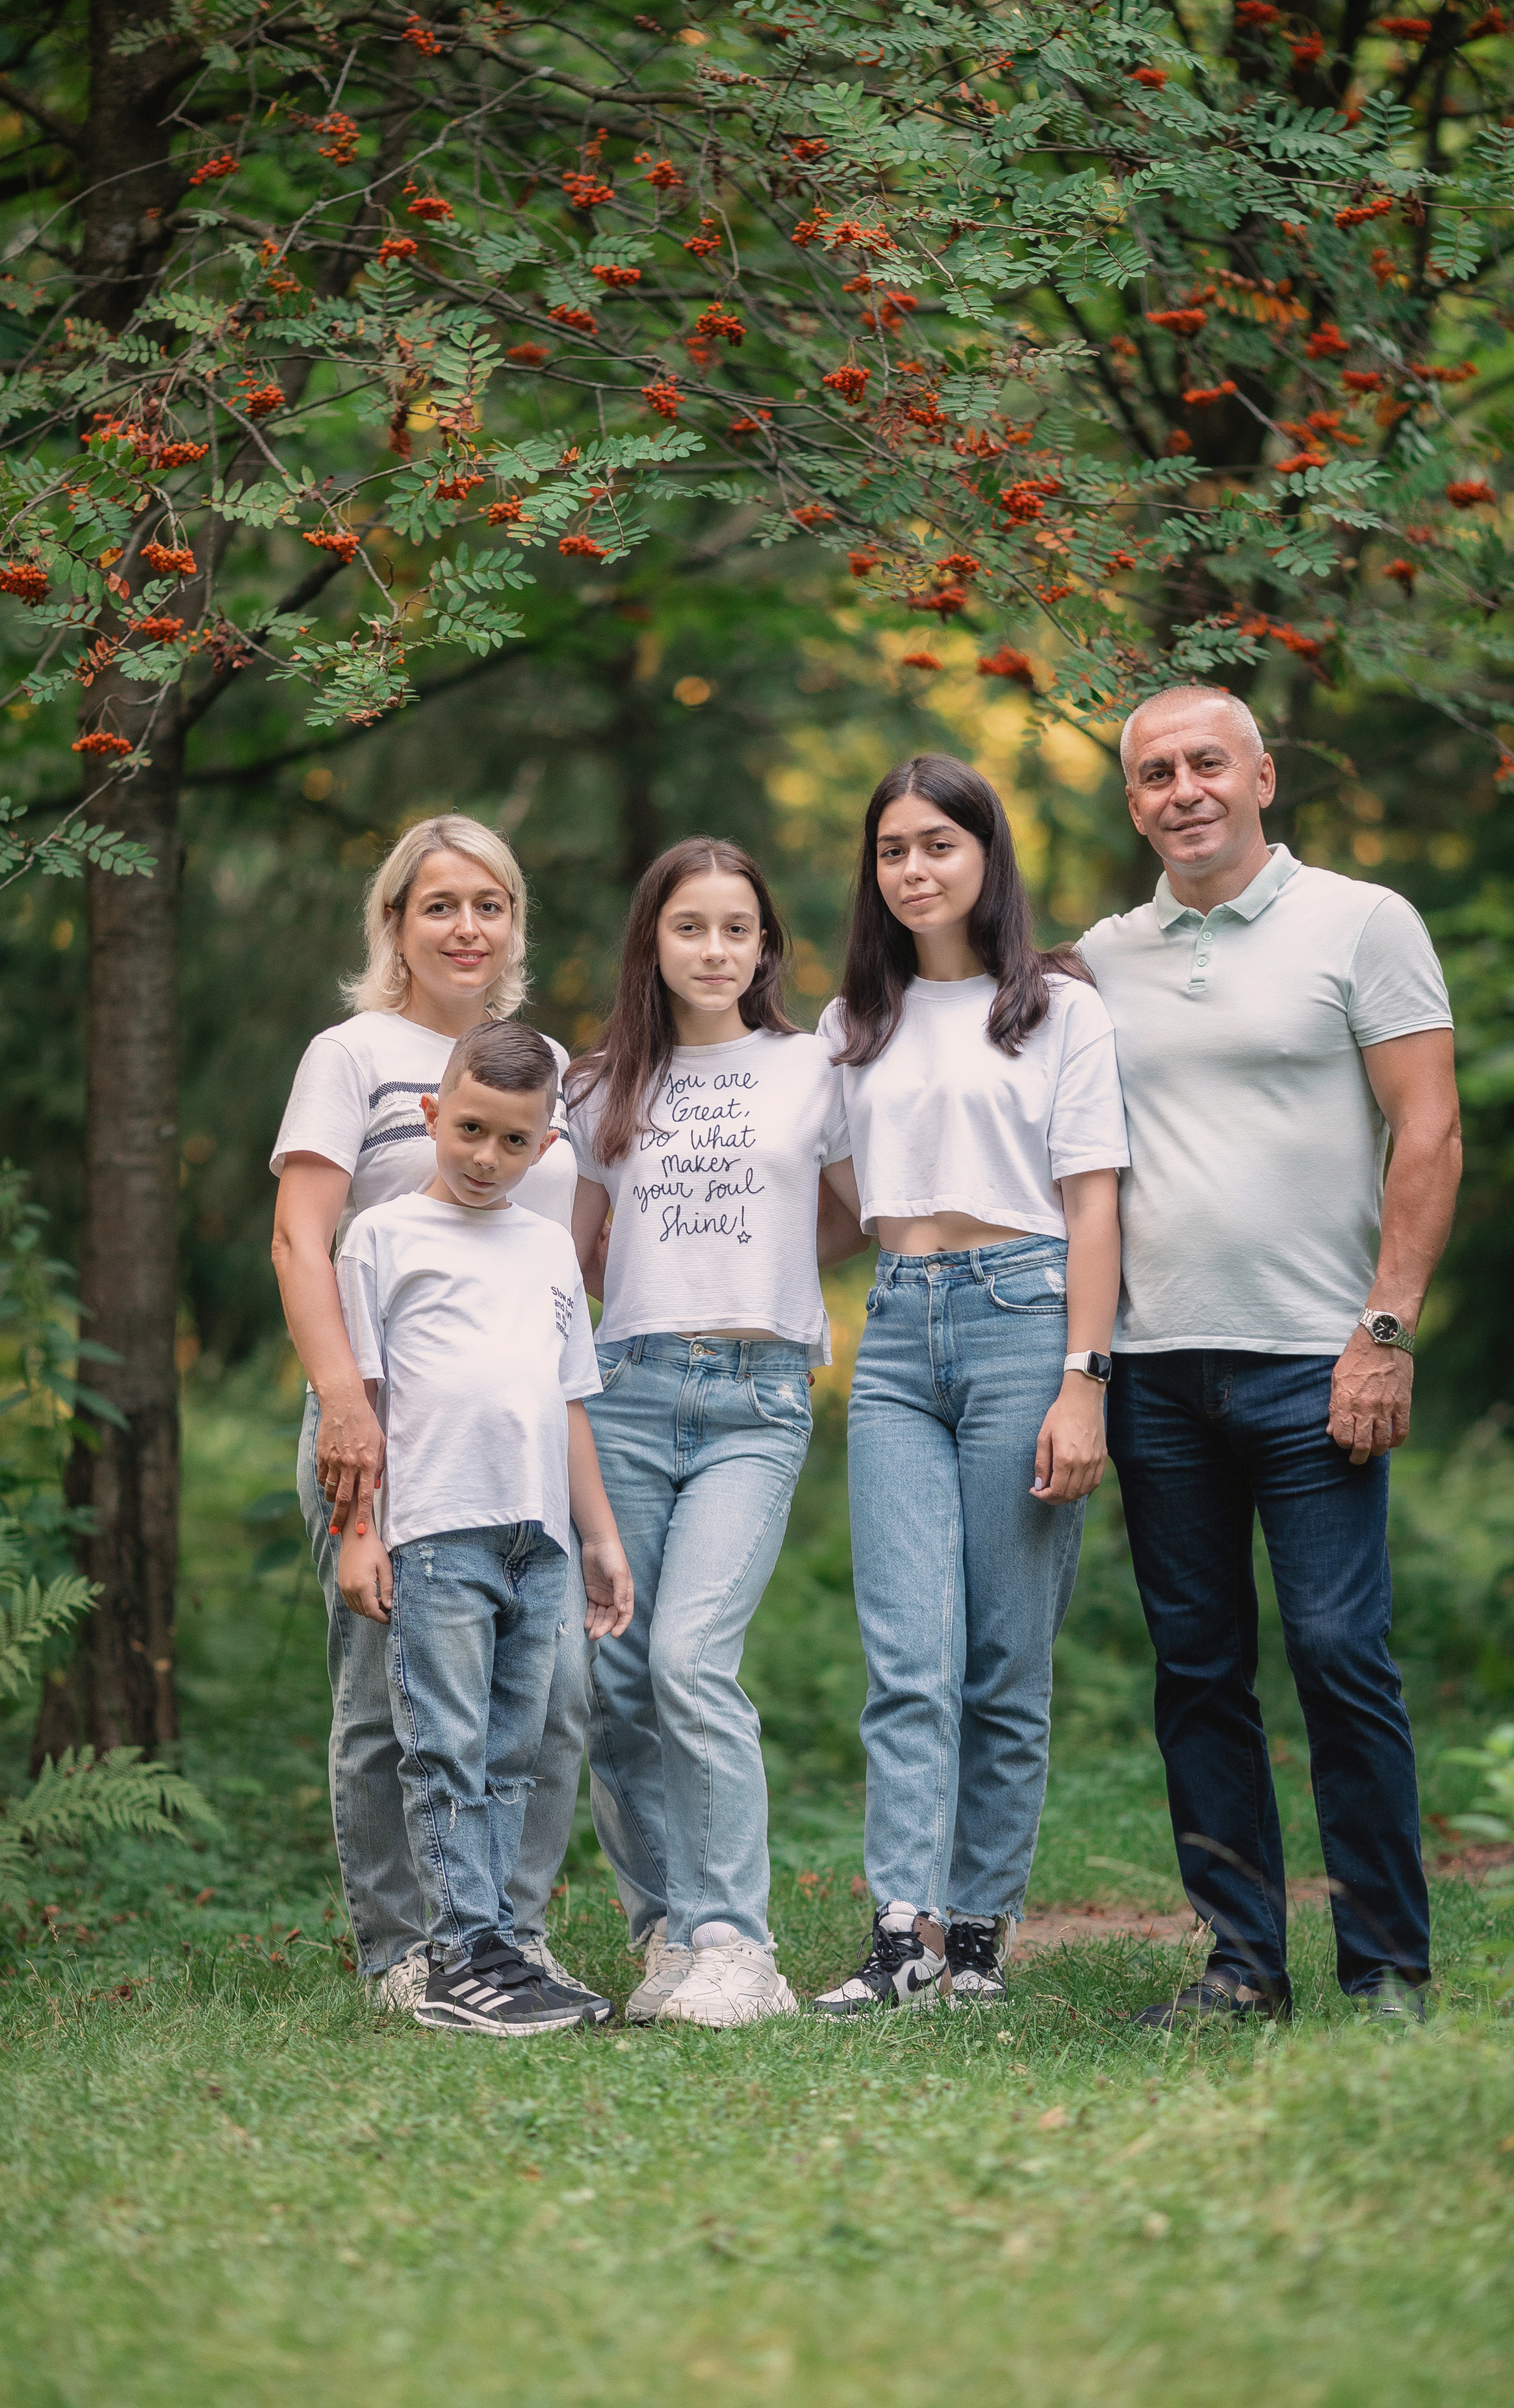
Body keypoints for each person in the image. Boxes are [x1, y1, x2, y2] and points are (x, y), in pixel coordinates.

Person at [1081, 685, 1461, 2025]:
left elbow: (1426, 1130)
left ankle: (1385, 1969)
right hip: (1154, 1370)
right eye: (1150, 774)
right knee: (1194, 1671)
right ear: (1129, 800)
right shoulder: (1099, 957)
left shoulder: (1360, 923)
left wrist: (1384, 1331)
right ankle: (1241, 1962)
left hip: (1315, 1359)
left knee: (1338, 1653)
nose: (1178, 791)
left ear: (1258, 778)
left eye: (1202, 765)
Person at [270, 814, 608, 2016]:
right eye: (440, 904)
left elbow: (556, 1265)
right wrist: (344, 1409)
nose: (468, 927)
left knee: (550, 1699)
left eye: (491, 904)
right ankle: (405, 1951)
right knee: (389, 1701)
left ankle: (504, 1934)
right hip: (384, 1429)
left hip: (517, 1447)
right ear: (395, 923)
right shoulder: (353, 1053)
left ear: (514, 923)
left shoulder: (542, 1059)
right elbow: (301, 1240)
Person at [812, 756, 1129, 2016]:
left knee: (1003, 1659)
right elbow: (834, 1201)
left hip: (1023, 1323)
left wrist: (1082, 1382)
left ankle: (979, 1938)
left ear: (985, 857)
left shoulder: (1057, 1008)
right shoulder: (852, 1024)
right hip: (895, 1334)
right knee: (905, 1654)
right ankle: (901, 1935)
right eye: (891, 848)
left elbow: (1093, 1202)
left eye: (937, 843)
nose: (913, 868)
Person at [567, 839, 856, 2029]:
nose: (716, 949)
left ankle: (740, 1942)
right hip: (629, 1385)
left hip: (757, 1396)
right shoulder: (598, 1086)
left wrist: (761, 1285)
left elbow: (848, 1219)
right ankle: (668, 1942)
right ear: (653, 942)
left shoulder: (812, 1066)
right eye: (691, 927)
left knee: (690, 1657)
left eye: (739, 928)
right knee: (618, 1680)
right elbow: (573, 1251)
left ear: (766, 946)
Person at [333, 1019, 634, 2034]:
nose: (485, 1157)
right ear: (431, 1115)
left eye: (513, 1142)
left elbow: (570, 1403)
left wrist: (599, 1538)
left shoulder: (548, 1245)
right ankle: (460, 1956)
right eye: (468, 1130)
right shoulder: (379, 1239)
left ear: (548, 1146)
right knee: (445, 1746)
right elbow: (361, 1411)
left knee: (518, 1749)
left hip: (537, 1539)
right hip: (435, 1534)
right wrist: (359, 1532)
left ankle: (500, 1944)